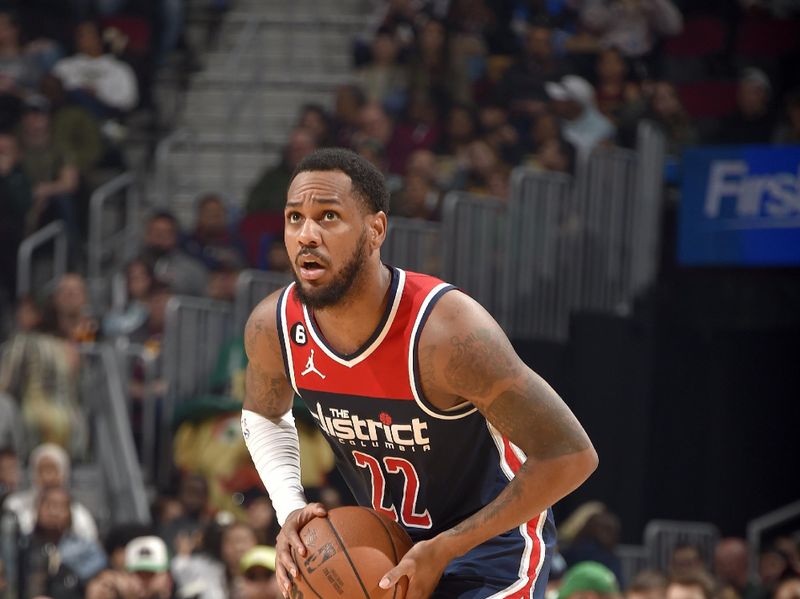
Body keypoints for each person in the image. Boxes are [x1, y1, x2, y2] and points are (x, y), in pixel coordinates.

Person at [241, 148, 598, 598]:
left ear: (375, 230)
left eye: (328, 216)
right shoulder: (274, 326)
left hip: (491, 552)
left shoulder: (446, 332)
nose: (306, 235)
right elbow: (263, 415)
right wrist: (289, 508)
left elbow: (570, 455)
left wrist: (446, 547)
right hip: (387, 551)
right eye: (295, 218)